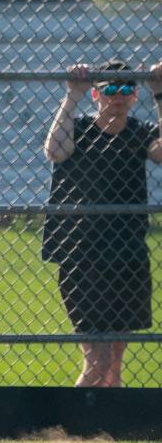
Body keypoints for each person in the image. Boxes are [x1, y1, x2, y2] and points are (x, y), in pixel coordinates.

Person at [42, 60, 162, 387]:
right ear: (97, 94)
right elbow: (55, 151)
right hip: (82, 254)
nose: (118, 95)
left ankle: (110, 417)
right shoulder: (79, 129)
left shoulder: (138, 132)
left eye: (126, 89)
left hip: (127, 252)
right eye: (110, 88)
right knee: (97, 362)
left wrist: (159, 94)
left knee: (114, 368)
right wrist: (73, 94)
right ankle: (74, 416)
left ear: (134, 96)